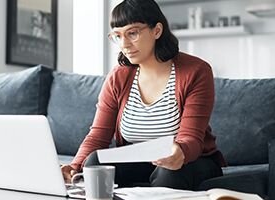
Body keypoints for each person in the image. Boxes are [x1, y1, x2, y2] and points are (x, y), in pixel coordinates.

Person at [61, 0, 226, 190]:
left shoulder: (196, 71)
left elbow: (191, 138)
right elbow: (98, 135)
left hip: (190, 161)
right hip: (138, 160)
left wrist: (180, 151)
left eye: (132, 33)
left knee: (169, 172)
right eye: (117, 36)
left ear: (157, 30)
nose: (124, 44)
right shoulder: (118, 77)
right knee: (93, 163)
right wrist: (74, 167)